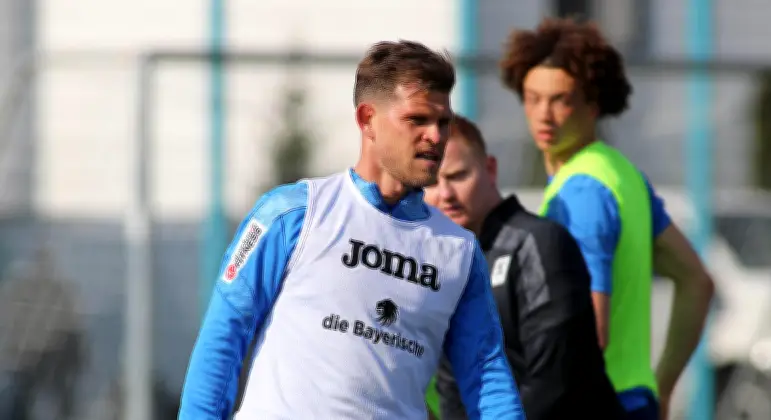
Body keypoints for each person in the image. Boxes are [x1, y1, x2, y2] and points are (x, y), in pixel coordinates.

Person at [178, 40, 524, 420]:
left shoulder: (459, 251)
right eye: (418, 120)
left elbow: (486, 375)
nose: (436, 136)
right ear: (367, 119)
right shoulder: (292, 213)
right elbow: (224, 337)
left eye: (443, 122)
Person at [498, 18, 716, 420]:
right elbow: (697, 281)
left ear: (593, 104)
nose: (544, 114)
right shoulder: (621, 175)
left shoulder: (581, 191)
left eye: (560, 99)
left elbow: (588, 333)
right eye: (532, 98)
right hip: (634, 400)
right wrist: (661, 387)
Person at [423, 115, 626, 419]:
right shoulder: (447, 269)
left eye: (458, 176)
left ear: (490, 169)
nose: (446, 194)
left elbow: (554, 381)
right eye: (431, 182)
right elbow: (453, 391)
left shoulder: (539, 243)